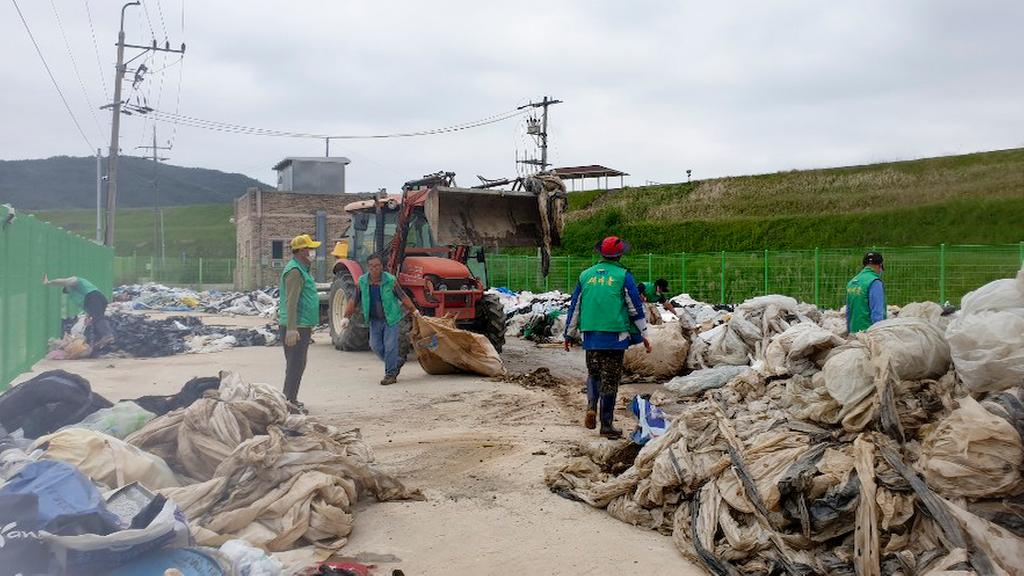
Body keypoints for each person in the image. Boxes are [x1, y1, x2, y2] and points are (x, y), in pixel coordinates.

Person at [564, 236, 652, 438]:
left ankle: (591, 406)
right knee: (610, 379)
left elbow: (575, 306)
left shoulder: (585, 275)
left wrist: (569, 335)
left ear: (600, 253)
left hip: (590, 335)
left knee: (594, 373)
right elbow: (634, 307)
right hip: (615, 336)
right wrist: (644, 334)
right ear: (620, 254)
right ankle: (606, 425)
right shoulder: (623, 275)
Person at [343, 252, 418, 386]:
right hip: (374, 320)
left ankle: (390, 375)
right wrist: (346, 317)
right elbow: (354, 299)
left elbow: (403, 296)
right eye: (371, 266)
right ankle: (396, 362)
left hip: (390, 319)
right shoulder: (362, 281)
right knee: (375, 346)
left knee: (390, 347)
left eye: (377, 266)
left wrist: (414, 310)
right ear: (368, 267)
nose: (374, 269)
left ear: (382, 266)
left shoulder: (390, 280)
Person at [279, 234, 321, 410]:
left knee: (298, 364)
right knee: (295, 365)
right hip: (297, 326)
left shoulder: (302, 269)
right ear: (302, 251)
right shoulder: (295, 271)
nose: (313, 252)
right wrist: (291, 328)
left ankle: (291, 399)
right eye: (310, 248)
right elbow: (291, 301)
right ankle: (288, 402)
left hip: (302, 325)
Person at [43, 274, 114, 356]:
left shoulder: (76, 281)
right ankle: (98, 343)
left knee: (98, 318)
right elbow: (87, 306)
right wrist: (88, 316)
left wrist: (49, 282)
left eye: (67, 289)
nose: (68, 291)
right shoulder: (76, 294)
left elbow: (63, 281)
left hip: (94, 297)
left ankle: (107, 335)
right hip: (95, 300)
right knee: (96, 319)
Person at [846, 251, 886, 333]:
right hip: (868, 334)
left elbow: (848, 312)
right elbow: (877, 312)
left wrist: (850, 331)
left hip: (854, 332)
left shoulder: (852, 282)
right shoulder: (874, 282)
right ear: (880, 265)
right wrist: (880, 333)